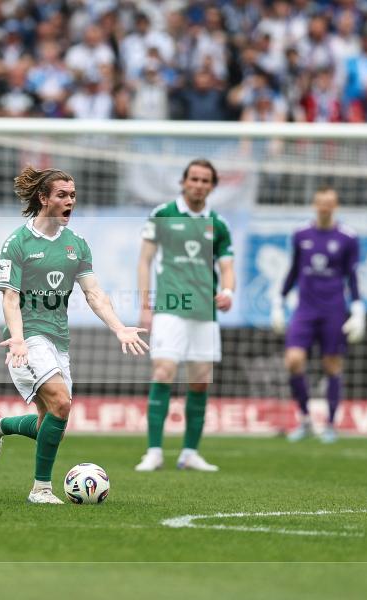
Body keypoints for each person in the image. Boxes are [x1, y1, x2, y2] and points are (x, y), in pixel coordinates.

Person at [0, 166, 149, 504]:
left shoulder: (77, 245)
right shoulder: (17, 242)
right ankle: (41, 489)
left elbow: (94, 293)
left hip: (59, 339)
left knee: (51, 419)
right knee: (61, 403)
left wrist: (119, 327)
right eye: (62, 195)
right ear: (43, 198)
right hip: (28, 338)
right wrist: (17, 338)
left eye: (72, 195)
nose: (69, 201)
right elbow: (10, 297)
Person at [134, 159, 235, 473]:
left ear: (212, 186)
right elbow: (144, 261)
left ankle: (189, 452)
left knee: (200, 381)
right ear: (183, 181)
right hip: (170, 306)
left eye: (206, 180)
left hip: (204, 311)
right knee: (163, 371)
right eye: (194, 179)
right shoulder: (163, 215)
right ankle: (154, 452)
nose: (199, 185)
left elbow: (227, 268)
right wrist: (145, 306)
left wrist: (228, 292)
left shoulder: (218, 224)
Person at [271, 187, 364, 443]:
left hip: (333, 308)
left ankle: (331, 424)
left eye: (329, 203)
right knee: (293, 360)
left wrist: (357, 309)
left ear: (336, 205)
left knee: (332, 364)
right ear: (315, 204)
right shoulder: (301, 234)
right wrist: (279, 302)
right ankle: (304, 419)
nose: (325, 207)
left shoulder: (348, 237)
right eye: (321, 203)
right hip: (305, 309)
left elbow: (352, 275)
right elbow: (293, 270)